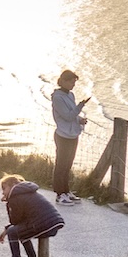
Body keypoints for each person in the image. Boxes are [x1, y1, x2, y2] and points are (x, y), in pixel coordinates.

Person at [0, 173, 65, 257]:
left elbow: (15, 221)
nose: (3, 192)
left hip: (44, 224)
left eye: (4, 188)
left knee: (12, 232)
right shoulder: (27, 192)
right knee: (20, 232)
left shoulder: (15, 197)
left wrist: (8, 203)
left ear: (12, 185)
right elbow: (20, 222)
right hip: (53, 222)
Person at [50, 70, 90, 206]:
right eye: (72, 82)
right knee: (61, 164)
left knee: (68, 165)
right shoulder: (57, 97)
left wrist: (79, 120)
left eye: (74, 82)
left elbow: (72, 115)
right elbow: (67, 116)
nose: (73, 84)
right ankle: (59, 194)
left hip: (72, 134)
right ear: (64, 81)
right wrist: (80, 106)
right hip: (63, 135)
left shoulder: (70, 95)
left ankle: (66, 191)